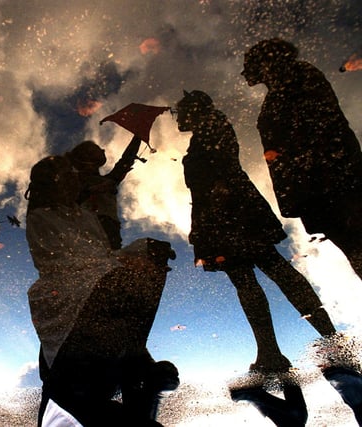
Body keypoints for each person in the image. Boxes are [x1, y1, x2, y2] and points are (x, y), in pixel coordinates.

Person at [176, 90, 338, 374]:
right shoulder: (205, 131)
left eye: (182, 111)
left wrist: (217, 211)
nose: (178, 117)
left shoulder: (212, 126)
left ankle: (324, 340)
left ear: (195, 109)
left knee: (271, 269)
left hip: (230, 212)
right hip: (222, 213)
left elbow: (223, 169)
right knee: (254, 276)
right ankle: (276, 350)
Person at [25, 155, 178, 426]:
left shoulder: (85, 215)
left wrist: (143, 250)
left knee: (150, 256)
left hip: (100, 278)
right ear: (51, 183)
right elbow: (67, 261)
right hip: (67, 289)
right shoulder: (41, 217)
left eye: (74, 177)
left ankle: (133, 352)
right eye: (67, 176)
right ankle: (130, 361)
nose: (74, 181)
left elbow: (103, 253)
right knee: (120, 278)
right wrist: (122, 262)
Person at [242, 38, 362, 279]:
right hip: (319, 189)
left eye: (251, 64)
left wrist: (289, 158)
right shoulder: (285, 86)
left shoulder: (298, 77)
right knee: (355, 250)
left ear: (267, 63)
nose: (246, 73)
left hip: (332, 185)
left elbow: (320, 128)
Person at [67, 135, 143, 250]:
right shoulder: (73, 180)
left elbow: (126, 159)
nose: (103, 150)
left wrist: (138, 135)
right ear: (88, 158)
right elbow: (66, 202)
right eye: (96, 149)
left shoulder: (108, 180)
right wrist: (89, 191)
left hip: (111, 230)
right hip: (89, 230)